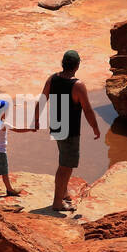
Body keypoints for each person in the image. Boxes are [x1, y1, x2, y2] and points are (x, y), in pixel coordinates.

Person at [32, 49, 101, 212]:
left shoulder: (52, 79)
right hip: (70, 130)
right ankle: (57, 202)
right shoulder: (77, 85)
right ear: (77, 65)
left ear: (63, 63)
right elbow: (88, 110)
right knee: (65, 166)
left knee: (64, 160)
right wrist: (95, 128)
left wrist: (35, 119)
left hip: (56, 125)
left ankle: (64, 193)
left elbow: (42, 100)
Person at [0, 98, 35, 197]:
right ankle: (10, 190)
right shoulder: (3, 124)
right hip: (0, 152)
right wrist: (30, 129)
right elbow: (17, 129)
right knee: (4, 172)